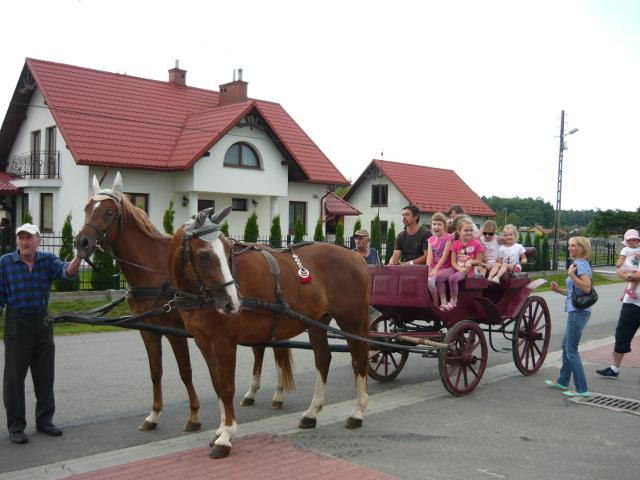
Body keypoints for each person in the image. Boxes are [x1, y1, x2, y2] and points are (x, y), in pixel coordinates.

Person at [1, 223, 82, 444]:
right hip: (16, 324)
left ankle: (45, 421)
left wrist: (80, 256)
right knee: (14, 379)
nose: (25, 242)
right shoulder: (6, 263)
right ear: (17, 241)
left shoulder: (47, 260)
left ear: (39, 240)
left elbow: (67, 272)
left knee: (45, 376)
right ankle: (16, 427)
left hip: (42, 323)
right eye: (21, 238)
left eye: (29, 237)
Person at [545, 236, 593, 397]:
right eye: (569, 245)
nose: (569, 248)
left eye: (573, 246)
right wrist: (558, 290)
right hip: (576, 311)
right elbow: (575, 293)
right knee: (566, 346)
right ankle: (563, 380)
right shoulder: (578, 263)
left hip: (578, 313)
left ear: (582, 248)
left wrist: (572, 275)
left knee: (571, 350)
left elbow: (586, 288)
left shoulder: (580, 264)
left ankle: (582, 389)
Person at [595, 255, 640, 379]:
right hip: (631, 303)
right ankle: (614, 369)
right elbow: (623, 266)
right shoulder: (635, 255)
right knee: (621, 335)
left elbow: (632, 275)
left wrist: (623, 274)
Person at [443, 217, 484, 311]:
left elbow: (479, 261)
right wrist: (459, 268)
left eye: (471, 230)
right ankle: (442, 301)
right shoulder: (456, 244)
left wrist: (470, 261)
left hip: (469, 270)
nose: (469, 232)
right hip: (458, 268)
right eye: (466, 230)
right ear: (459, 231)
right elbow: (453, 261)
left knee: (452, 278)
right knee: (440, 277)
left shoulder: (476, 244)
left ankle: (453, 301)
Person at [426, 212, 454, 307]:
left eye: (439, 224)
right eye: (434, 224)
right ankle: (435, 301)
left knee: (435, 278)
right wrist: (428, 268)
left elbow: (445, 256)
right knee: (428, 280)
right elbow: (430, 256)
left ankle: (441, 302)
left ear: (444, 226)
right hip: (435, 267)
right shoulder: (431, 239)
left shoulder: (448, 238)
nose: (436, 226)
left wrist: (435, 269)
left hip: (446, 266)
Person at [616, 229, 640, 301]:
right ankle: (630, 291)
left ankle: (624, 295)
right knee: (636, 279)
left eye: (634, 240)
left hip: (636, 266)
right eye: (629, 240)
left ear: (637, 241)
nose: (631, 242)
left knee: (630, 283)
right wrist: (619, 265)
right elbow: (622, 258)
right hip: (629, 267)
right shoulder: (625, 249)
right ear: (626, 241)